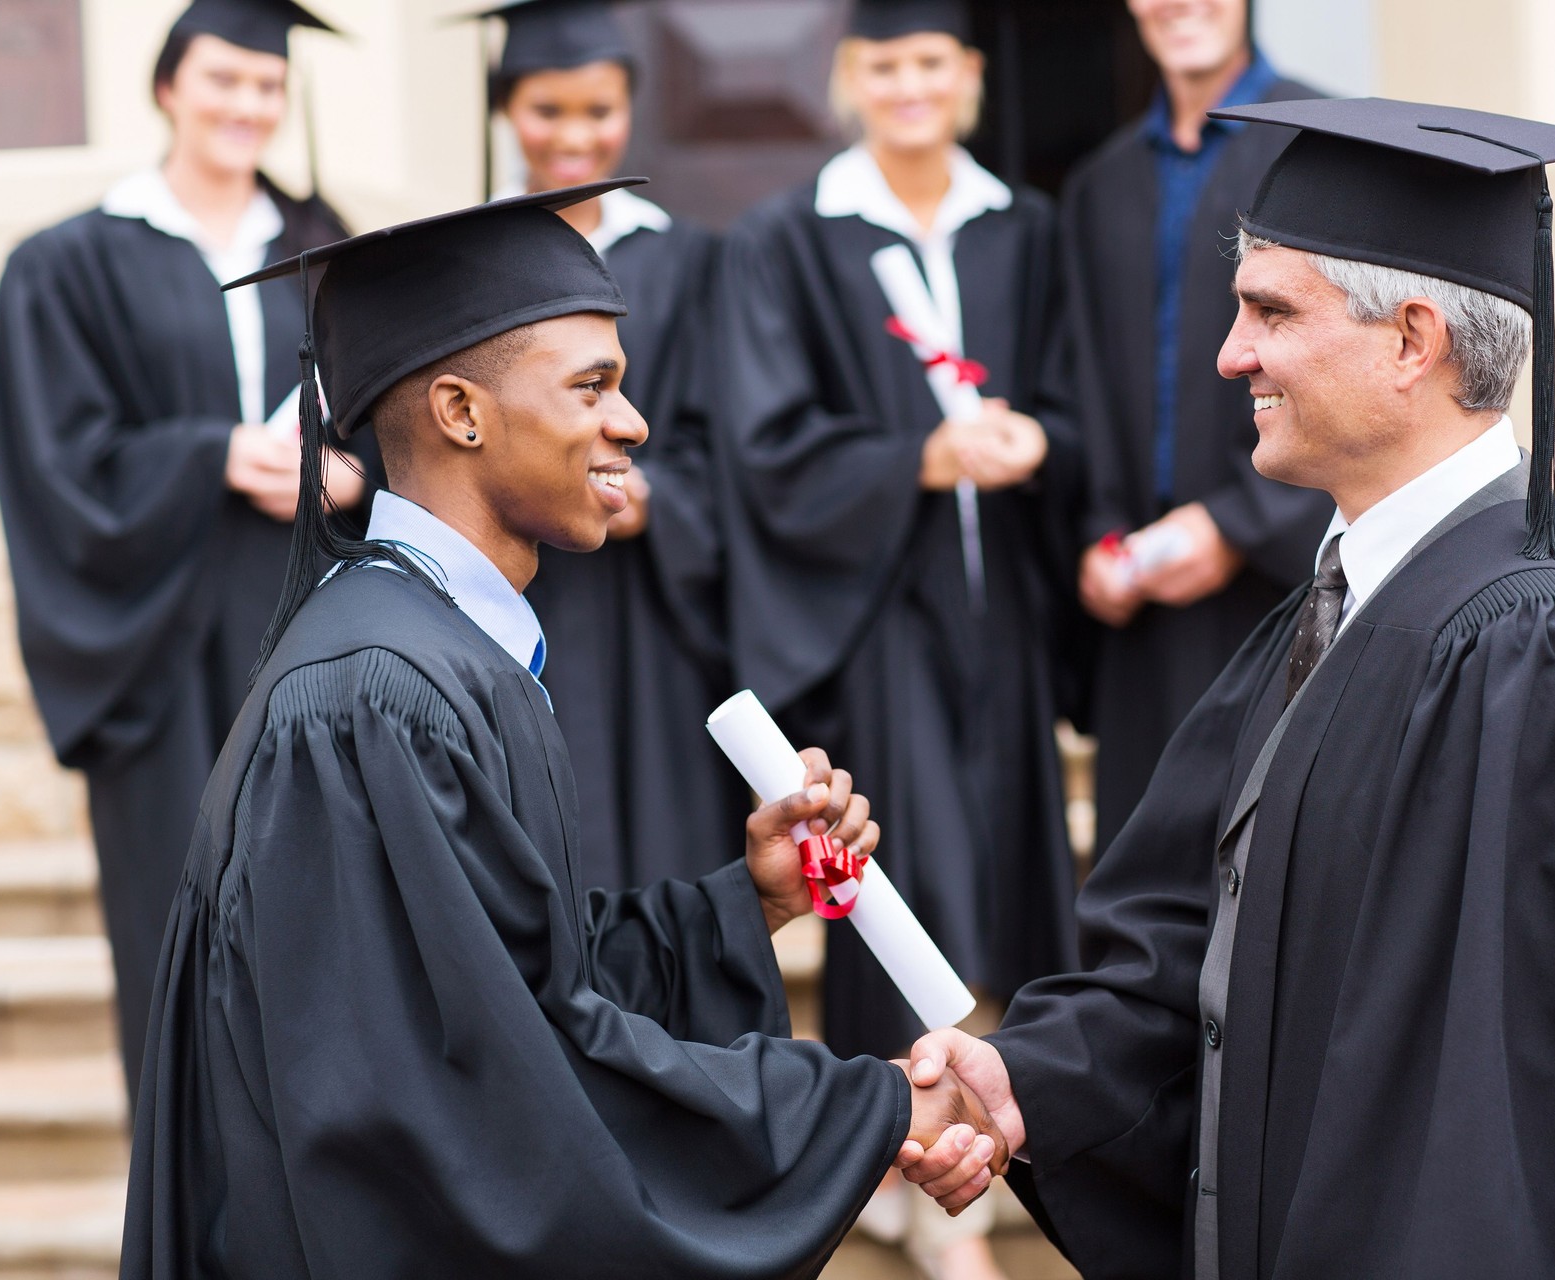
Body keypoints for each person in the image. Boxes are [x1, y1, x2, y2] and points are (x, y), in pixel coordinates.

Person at [900, 99, 1555, 1279]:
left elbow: (1514, 1132)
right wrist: (1026, 1078)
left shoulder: (1536, 650)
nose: (1229, 353)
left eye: (1269, 310)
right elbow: (1196, 943)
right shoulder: (1343, 605)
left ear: (1411, 340)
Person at [121, 181, 1010, 1277]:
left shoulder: (437, 652)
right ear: (461, 412)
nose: (632, 421)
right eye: (593, 386)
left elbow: (515, 983)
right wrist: (868, 1108)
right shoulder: (369, 701)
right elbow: (484, 1100)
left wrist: (746, 901)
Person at [714, 3, 1078, 1272]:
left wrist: (1042, 444)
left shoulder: (1023, 228)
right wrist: (920, 455)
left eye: (933, 62)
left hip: (1005, 615)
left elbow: (1074, 399)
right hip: (876, 626)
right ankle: (909, 1167)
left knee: (1012, 885)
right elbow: (765, 443)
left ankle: (986, 1139)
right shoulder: (786, 239)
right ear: (846, 77)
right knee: (899, 895)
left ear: (970, 76)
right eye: (885, 64)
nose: (911, 84)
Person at [0, 0, 369, 1103]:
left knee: (326, 928)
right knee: (180, 938)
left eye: (266, 86)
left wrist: (350, 473)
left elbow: (381, 422)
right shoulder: (71, 262)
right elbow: (55, 464)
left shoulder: (322, 245)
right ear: (167, 88)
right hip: (162, 655)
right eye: (223, 81)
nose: (248, 105)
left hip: (311, 646)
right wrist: (213, 455)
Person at [474, 0, 741, 893]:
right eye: (548, 111)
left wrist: (657, 497)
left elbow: (733, 439)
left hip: (654, 616)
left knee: (663, 853)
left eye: (599, 111)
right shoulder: (463, 263)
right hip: (516, 604)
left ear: (632, 112)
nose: (574, 136)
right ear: (508, 110)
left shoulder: (691, 260)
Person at [1063, 0, 1333, 856]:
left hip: (1283, 580)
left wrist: (1236, 524)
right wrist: (1099, 535)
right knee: (1147, 870)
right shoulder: (1100, 186)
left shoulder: (1321, 144)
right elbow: (1079, 381)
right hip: (1143, 601)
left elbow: (1356, 360)